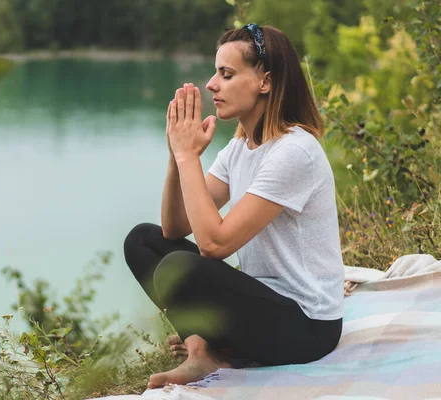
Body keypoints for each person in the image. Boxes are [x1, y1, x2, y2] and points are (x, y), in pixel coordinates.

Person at [123, 24, 345, 389]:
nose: (212, 84)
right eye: (216, 73)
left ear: (265, 82)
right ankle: (201, 354)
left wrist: (188, 155)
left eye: (226, 74)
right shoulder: (240, 149)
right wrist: (176, 158)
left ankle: (217, 347)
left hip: (308, 327)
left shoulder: (294, 152)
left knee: (181, 267)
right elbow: (174, 228)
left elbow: (215, 244)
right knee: (144, 241)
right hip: (263, 303)